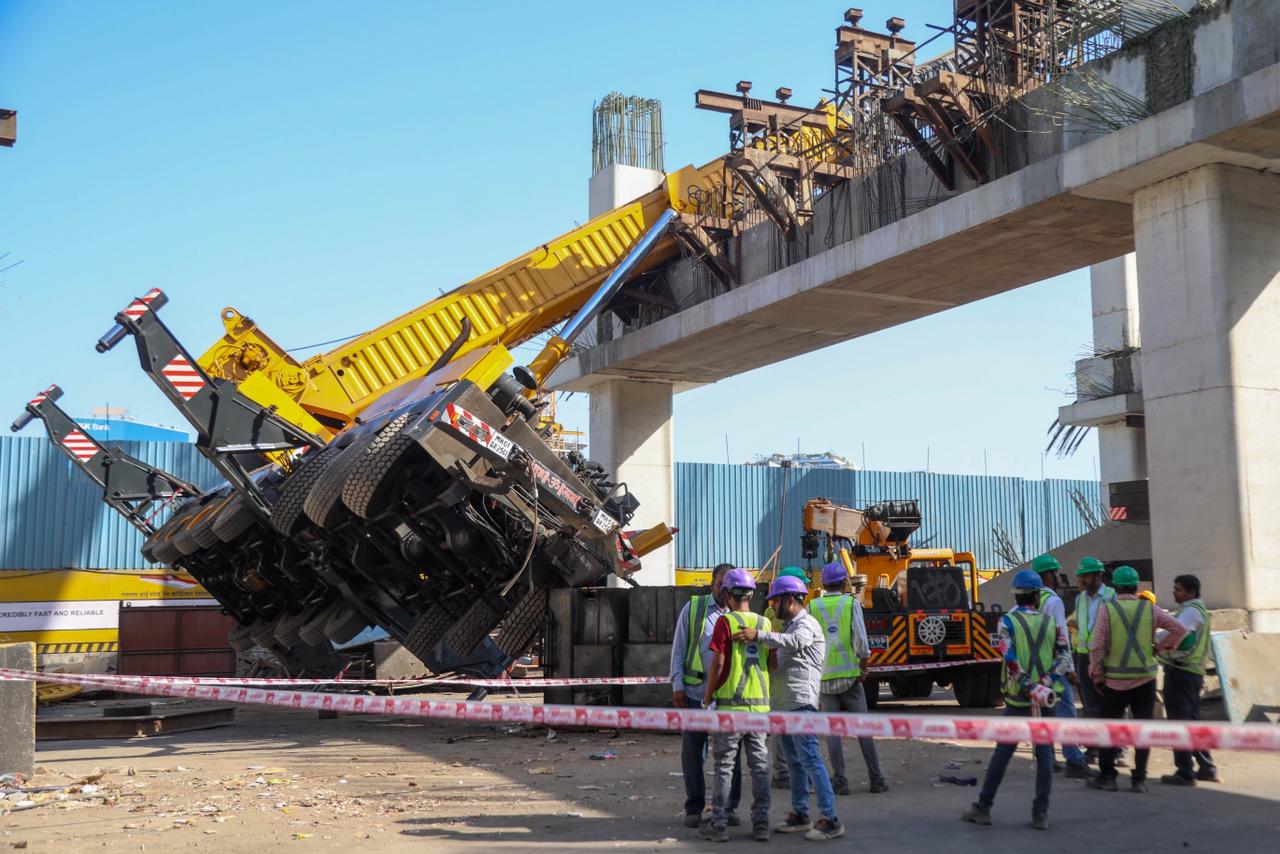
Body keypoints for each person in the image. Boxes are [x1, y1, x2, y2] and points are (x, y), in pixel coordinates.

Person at [733, 574, 845, 841]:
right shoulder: (788, 628)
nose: (773, 606)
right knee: (794, 763)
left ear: (791, 600)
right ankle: (801, 813)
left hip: (801, 704)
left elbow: (795, 643)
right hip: (784, 706)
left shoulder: (806, 624)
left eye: (776, 601)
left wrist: (759, 635)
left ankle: (831, 819)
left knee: (811, 760)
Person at [962, 570, 1071, 831]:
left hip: (1019, 700)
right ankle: (1040, 813)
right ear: (1037, 595)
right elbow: (1064, 656)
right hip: (1046, 699)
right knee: (1045, 755)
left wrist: (1027, 686)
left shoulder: (1007, 622)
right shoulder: (1051, 623)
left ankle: (983, 808)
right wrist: (1044, 683)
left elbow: (1009, 658)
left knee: (1003, 753)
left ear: (1016, 595)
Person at [1087, 565, 1187, 793]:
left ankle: (1108, 777)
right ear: (1136, 586)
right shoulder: (1149, 608)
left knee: (1110, 729)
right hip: (1145, 678)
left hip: (1114, 680)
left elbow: (1097, 646)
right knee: (1143, 729)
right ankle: (1139, 779)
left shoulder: (1107, 609)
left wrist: (1097, 674)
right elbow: (1179, 629)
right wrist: (1160, 648)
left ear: (1116, 587)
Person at [700, 568, 771, 843]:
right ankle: (761, 824)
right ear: (751, 595)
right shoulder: (764, 624)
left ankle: (718, 824)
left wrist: (707, 698)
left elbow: (718, 663)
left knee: (724, 767)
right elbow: (773, 663)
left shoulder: (725, 622)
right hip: (759, 710)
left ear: (728, 595)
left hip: (731, 708)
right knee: (760, 767)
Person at [670, 563, 741, 827]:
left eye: (729, 585)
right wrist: (677, 685)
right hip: (695, 692)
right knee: (692, 752)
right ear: (712, 583)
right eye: (720, 583)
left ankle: (729, 807)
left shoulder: (741, 613)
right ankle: (694, 807)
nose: (724, 589)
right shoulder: (694, 608)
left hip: (728, 696)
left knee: (730, 754)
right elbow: (679, 648)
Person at [811, 560, 887, 795]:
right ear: (845, 582)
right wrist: (863, 670)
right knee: (863, 729)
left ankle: (840, 781)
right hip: (851, 678)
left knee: (833, 734)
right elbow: (862, 643)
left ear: (824, 583)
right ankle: (876, 779)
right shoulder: (851, 604)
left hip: (825, 678)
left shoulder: (813, 606)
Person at [1029, 554, 1088, 778]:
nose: (1058, 576)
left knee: (1043, 714)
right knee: (1066, 713)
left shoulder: (1030, 600)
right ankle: (1074, 760)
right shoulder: (1053, 601)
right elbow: (1062, 636)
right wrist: (1070, 669)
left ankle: (1047, 758)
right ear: (1047, 576)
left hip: (1036, 666)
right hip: (1055, 667)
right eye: (1055, 572)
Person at [1158, 574, 1220, 786]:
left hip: (1181, 672)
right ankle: (1207, 767)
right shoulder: (1196, 610)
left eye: (1178, 589)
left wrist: (1158, 643)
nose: (1174, 592)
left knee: (1179, 722)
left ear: (1191, 592)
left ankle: (1185, 771)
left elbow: (1179, 633)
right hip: (1193, 672)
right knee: (1192, 721)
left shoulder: (1191, 612)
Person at [764, 566, 809, 790]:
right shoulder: (780, 613)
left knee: (782, 728)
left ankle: (784, 772)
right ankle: (786, 772)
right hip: (787, 675)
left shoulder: (774, 612)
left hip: (782, 674)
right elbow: (789, 642)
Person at [1070, 557, 1114, 766]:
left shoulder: (1111, 596)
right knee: (1089, 706)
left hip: (1106, 657)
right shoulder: (1080, 599)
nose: (1081, 579)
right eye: (1080, 576)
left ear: (1099, 576)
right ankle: (1092, 749)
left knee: (1111, 705)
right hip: (1083, 656)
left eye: (1086, 575)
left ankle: (1117, 749)